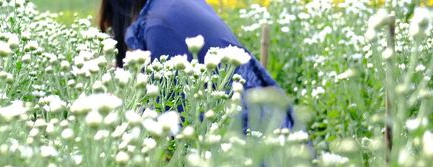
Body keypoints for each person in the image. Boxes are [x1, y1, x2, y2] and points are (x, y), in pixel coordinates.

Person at [98, 0, 295, 132]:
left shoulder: (158, 25)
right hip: (279, 132)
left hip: (258, 157)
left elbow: (177, 125)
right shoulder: (171, 7)